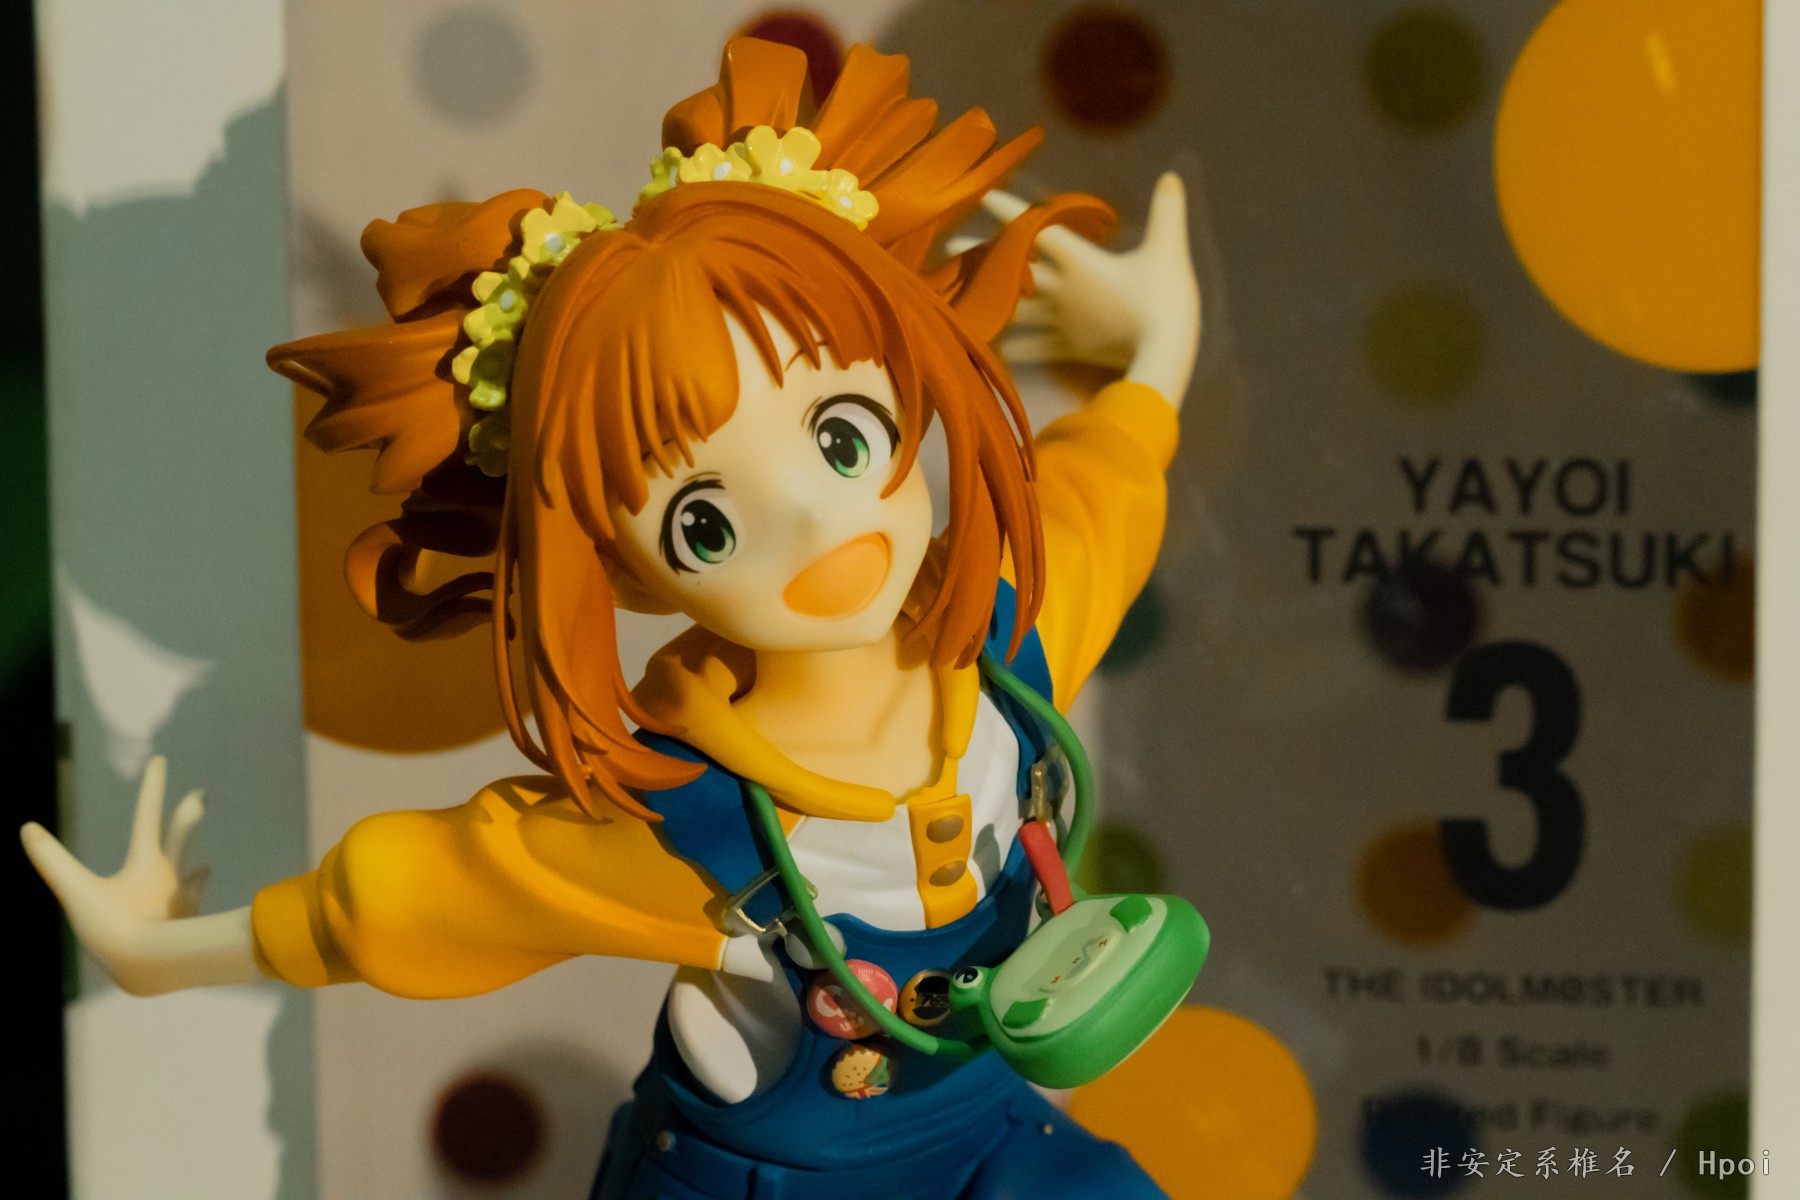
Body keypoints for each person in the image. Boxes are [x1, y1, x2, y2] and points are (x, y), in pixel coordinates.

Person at [23, 36, 1201, 1199]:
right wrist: (157, 952)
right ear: (625, 572)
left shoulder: (1005, 648)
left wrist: (1158, 337)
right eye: (706, 524)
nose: (813, 522)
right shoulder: (679, 823)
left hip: (993, 1136)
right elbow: (406, 898)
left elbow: (1104, 485)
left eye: (843, 437)